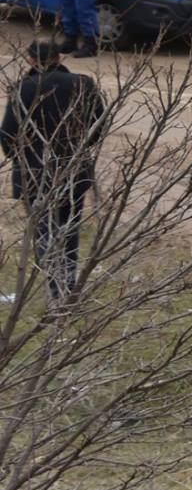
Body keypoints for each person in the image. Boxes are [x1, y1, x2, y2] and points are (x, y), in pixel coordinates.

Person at [0, 38, 104, 300]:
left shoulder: (24, 89)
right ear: (59, 57)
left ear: (31, 60)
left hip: (35, 172)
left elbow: (8, 133)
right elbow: (98, 124)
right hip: (74, 168)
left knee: (44, 231)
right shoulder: (83, 84)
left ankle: (54, 288)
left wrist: (22, 159)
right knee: (69, 228)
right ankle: (68, 285)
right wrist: (81, 147)